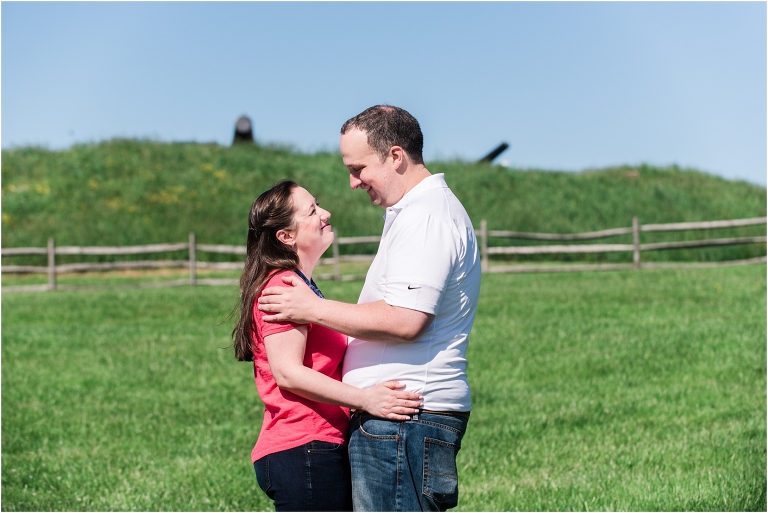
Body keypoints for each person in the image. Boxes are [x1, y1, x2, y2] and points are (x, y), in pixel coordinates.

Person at [257, 105, 482, 512]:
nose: (352, 183)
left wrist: (311, 309)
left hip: (404, 419)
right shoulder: (413, 214)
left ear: (395, 156)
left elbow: (406, 320)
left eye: (359, 168)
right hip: (394, 419)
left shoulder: (426, 217)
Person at [232, 179, 423, 512]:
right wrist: (367, 399)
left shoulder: (303, 288)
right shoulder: (283, 287)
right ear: (286, 236)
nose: (325, 212)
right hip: (304, 446)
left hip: (313, 447)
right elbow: (288, 373)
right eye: (312, 210)